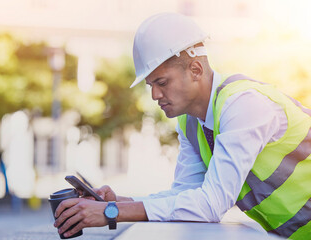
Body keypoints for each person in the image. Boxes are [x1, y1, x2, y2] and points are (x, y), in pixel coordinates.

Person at [54, 12, 311, 239]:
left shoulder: (244, 105)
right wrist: (116, 201)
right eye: (151, 85)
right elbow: (186, 199)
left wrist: (111, 213)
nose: (154, 95)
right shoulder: (190, 123)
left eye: (162, 83)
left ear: (196, 69)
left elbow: (211, 205)